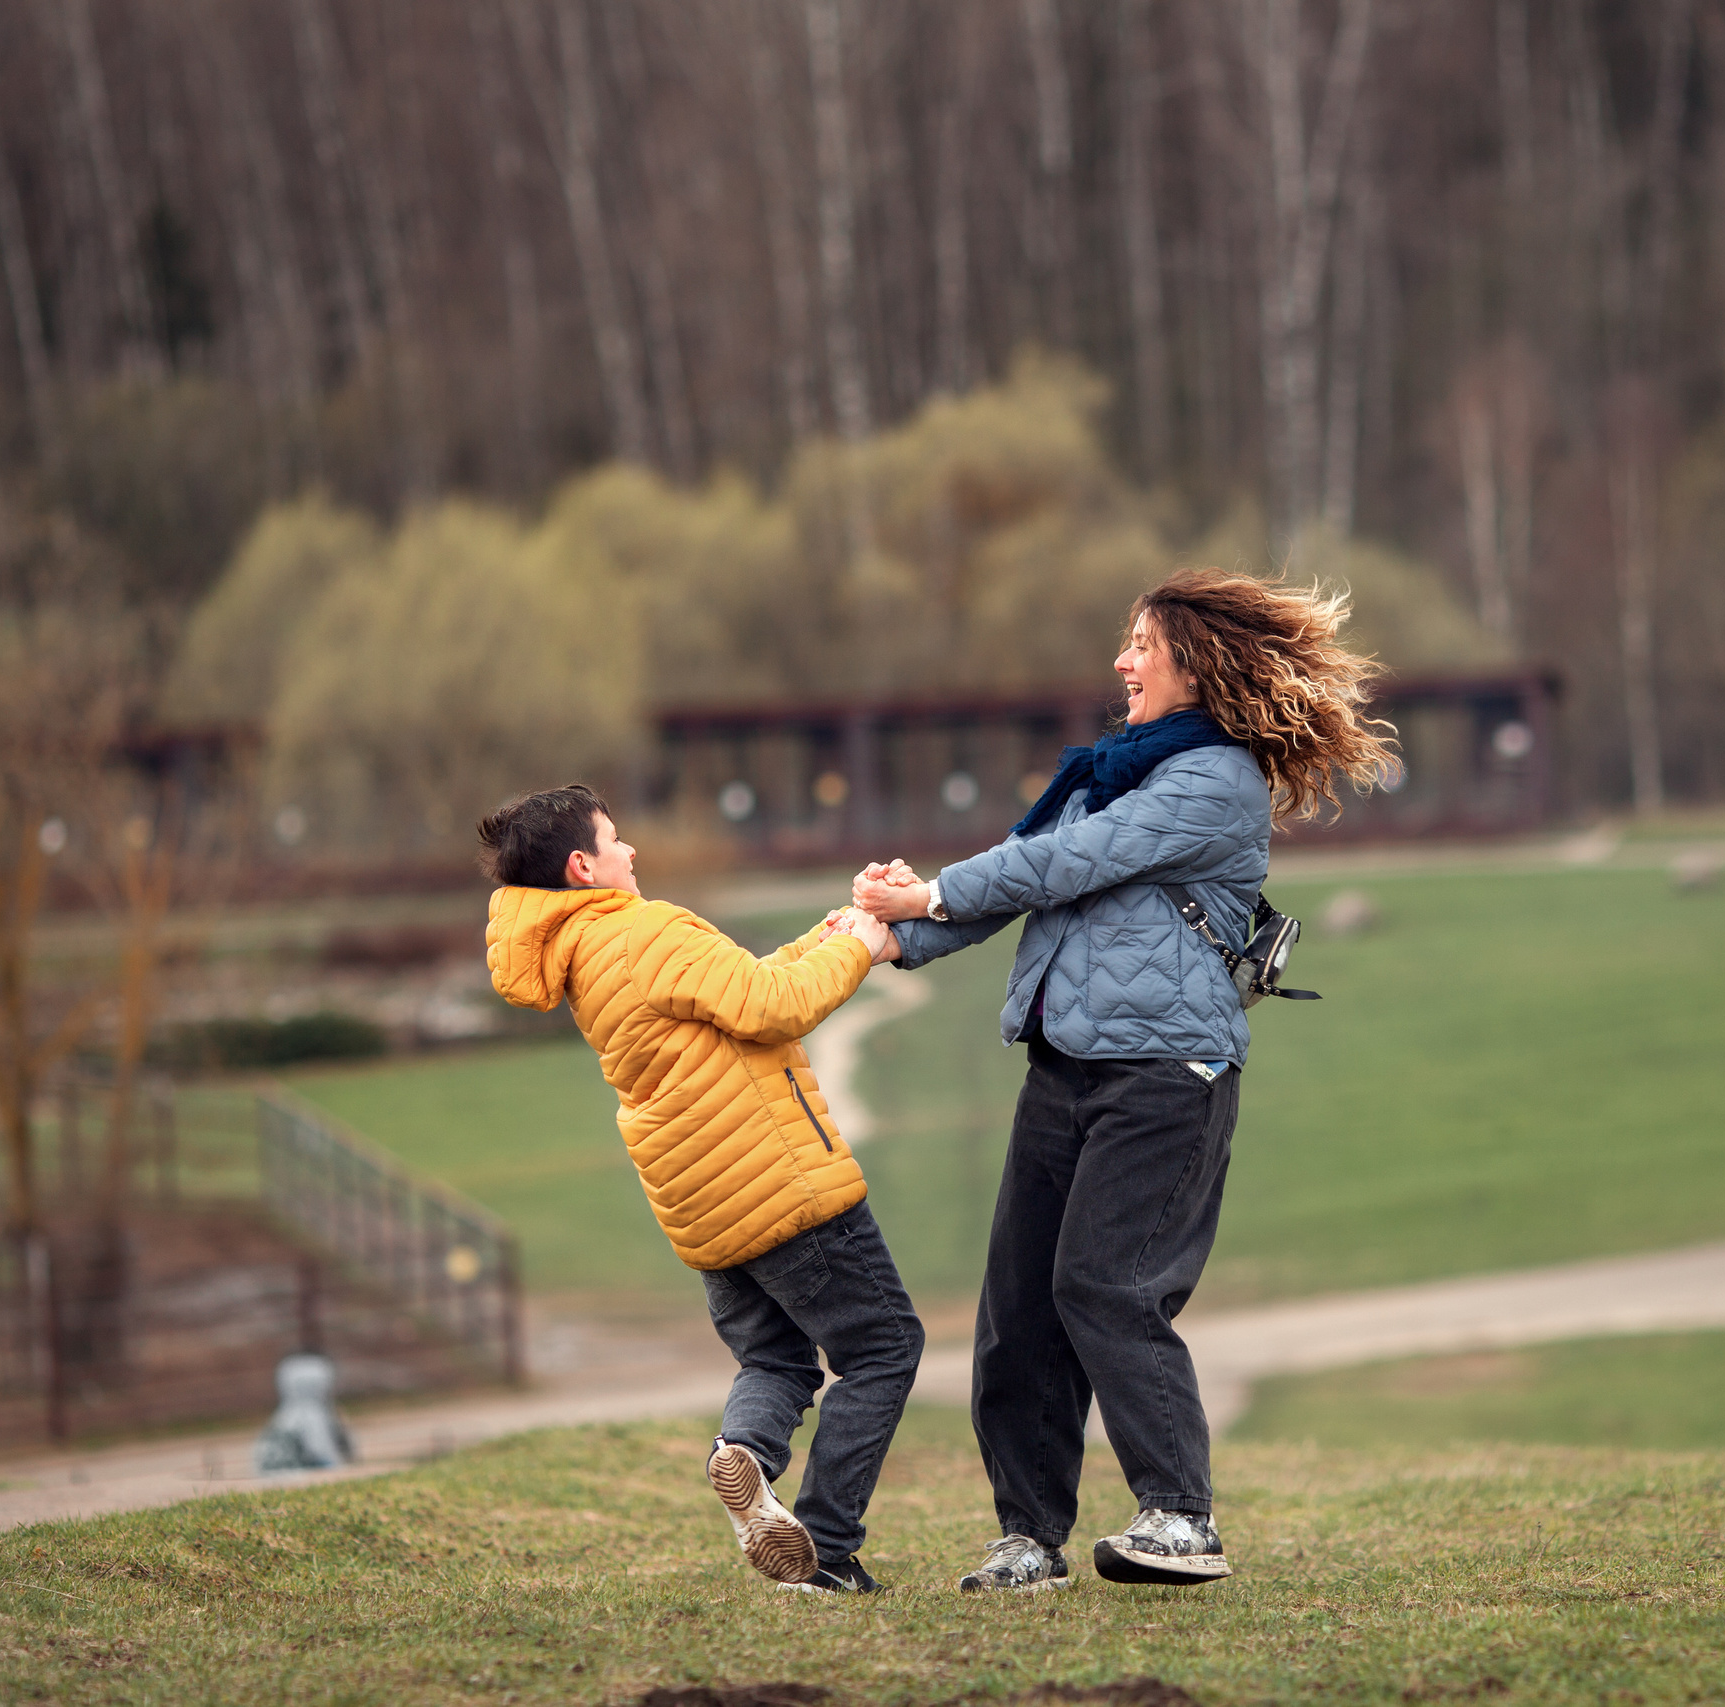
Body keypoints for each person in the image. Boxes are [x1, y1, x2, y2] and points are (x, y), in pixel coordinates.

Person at [851, 568, 1397, 1592]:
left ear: (1195, 663)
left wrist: (930, 886)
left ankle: (1181, 1518)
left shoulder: (1212, 783)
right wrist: (893, 936)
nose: (1122, 662)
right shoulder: (1112, 772)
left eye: (1141, 644)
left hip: (1165, 1076)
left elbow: (1071, 863)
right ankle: (1028, 1537)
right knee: (1018, 1308)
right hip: (1065, 1067)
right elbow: (1028, 864)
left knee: (1106, 1284)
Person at [481, 782, 923, 1595]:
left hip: (702, 1203)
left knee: (776, 1356)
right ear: (583, 865)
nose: (632, 851)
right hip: (776, 1178)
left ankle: (744, 1456)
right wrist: (861, 949)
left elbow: (736, 990)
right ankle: (825, 1548)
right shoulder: (645, 928)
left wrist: (836, 929)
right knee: (884, 1347)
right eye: (616, 841)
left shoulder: (588, 953)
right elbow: (774, 1006)